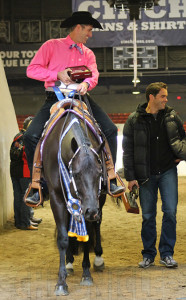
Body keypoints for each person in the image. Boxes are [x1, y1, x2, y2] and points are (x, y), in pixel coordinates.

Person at [24, 11, 124, 205]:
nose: (90, 34)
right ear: (78, 27)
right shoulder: (51, 46)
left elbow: (93, 75)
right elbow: (32, 70)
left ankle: (109, 176)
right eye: (88, 30)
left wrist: (87, 84)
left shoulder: (88, 53)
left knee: (111, 129)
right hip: (55, 97)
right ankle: (37, 183)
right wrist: (56, 74)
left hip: (81, 97)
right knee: (30, 136)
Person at [122, 82, 186, 269]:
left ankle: (167, 254)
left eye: (166, 96)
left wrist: (179, 156)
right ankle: (148, 254)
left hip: (167, 171)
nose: (166, 100)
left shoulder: (172, 116)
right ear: (151, 97)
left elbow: (182, 139)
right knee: (148, 216)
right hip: (145, 176)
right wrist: (131, 177)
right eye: (163, 96)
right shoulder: (134, 120)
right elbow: (128, 151)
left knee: (171, 212)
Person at [10, 116, 42, 230]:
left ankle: (19, 221)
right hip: (24, 171)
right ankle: (25, 223)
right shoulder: (27, 137)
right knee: (25, 197)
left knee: (18, 197)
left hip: (14, 171)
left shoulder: (17, 136)